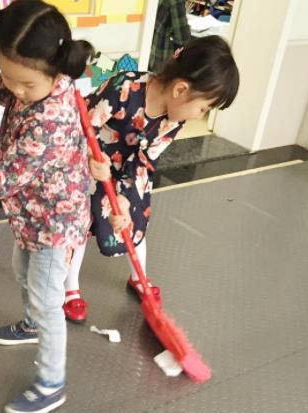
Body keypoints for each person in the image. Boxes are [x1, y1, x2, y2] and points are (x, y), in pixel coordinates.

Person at [0, 1, 94, 412]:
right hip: (32, 213)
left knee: (48, 300)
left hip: (56, 222)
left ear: (55, 72)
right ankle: (31, 324)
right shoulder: (33, 83)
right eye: (9, 76)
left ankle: (52, 383)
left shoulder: (51, 119)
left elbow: (7, 178)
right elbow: (8, 93)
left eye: (24, 83)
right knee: (21, 270)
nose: (16, 89)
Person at [62, 35, 240, 323]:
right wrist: (90, 158)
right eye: (204, 108)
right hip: (90, 166)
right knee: (80, 225)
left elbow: (146, 160)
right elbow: (80, 126)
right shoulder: (124, 88)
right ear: (181, 89)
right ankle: (70, 289)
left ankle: (139, 277)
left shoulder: (174, 120)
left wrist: (125, 197)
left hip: (132, 173)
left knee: (135, 222)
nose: (200, 116)